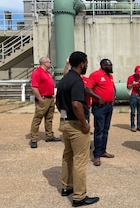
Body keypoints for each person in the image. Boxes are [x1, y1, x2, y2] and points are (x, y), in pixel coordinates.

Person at [56, 51, 99, 207]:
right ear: (82, 63)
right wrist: (84, 124)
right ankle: (79, 197)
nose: (87, 65)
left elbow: (58, 103)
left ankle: (67, 187)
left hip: (65, 123)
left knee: (67, 157)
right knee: (80, 161)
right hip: (76, 126)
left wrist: (64, 117)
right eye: (86, 62)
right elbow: (76, 104)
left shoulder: (64, 79)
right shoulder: (77, 81)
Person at [86, 59, 115, 167]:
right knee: (99, 130)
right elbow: (88, 89)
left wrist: (113, 99)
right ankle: (96, 155)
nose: (111, 66)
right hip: (99, 107)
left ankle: (103, 150)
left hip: (108, 106)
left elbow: (113, 88)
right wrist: (98, 98)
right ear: (103, 65)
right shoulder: (95, 75)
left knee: (106, 130)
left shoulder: (110, 76)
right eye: (109, 65)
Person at [29, 56, 61, 148]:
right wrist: (40, 98)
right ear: (44, 63)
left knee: (49, 118)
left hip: (50, 98)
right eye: (49, 62)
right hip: (43, 99)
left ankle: (49, 135)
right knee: (38, 118)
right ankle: (34, 138)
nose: (50, 64)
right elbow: (34, 86)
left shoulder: (47, 73)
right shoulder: (37, 72)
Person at [63, 59, 92, 123]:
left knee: (86, 118)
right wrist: (67, 65)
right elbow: (65, 76)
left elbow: (90, 90)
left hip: (86, 104)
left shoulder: (86, 79)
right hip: (77, 104)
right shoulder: (74, 79)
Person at [126, 65, 140, 132]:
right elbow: (128, 87)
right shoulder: (130, 77)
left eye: (139, 72)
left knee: (139, 112)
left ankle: (139, 126)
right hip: (133, 95)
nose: (138, 74)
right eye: (137, 72)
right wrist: (133, 84)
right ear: (135, 71)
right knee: (133, 111)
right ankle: (132, 126)